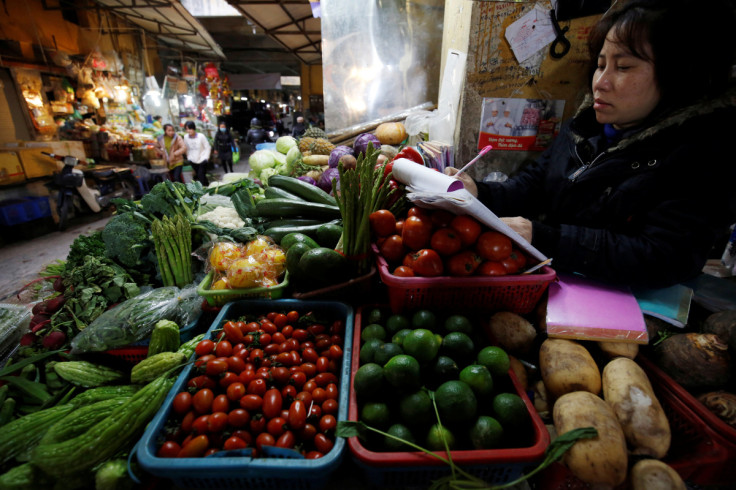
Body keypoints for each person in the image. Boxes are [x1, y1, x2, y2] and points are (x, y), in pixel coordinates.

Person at [446, 0, 736, 288]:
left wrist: (546, 237)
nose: (601, 82)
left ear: (679, 76)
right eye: (600, 65)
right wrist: (476, 192)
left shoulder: (702, 154)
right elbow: (531, 188)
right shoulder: (586, 128)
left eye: (623, 67)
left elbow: (665, 257)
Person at [183, 120, 211, 186]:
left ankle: (204, 189)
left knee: (201, 174)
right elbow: (186, 148)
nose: (188, 130)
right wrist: (188, 157)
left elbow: (207, 147)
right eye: (186, 129)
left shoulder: (201, 136)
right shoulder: (186, 137)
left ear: (194, 128)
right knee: (200, 175)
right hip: (192, 159)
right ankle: (207, 187)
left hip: (202, 159)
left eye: (190, 128)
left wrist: (206, 157)